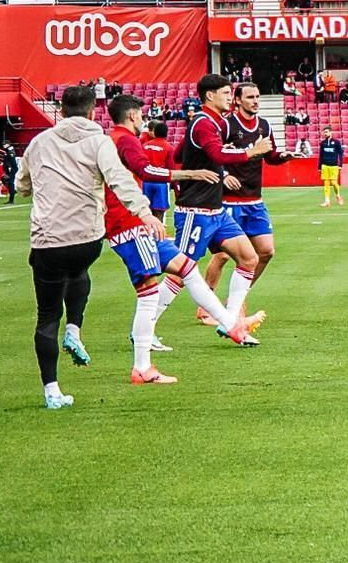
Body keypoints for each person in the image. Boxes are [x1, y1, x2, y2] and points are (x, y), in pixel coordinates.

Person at [18, 87, 165, 408]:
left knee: (46, 316)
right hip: (86, 238)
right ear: (91, 112)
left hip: (46, 240)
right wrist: (145, 213)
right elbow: (119, 181)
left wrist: (30, 188)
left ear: (60, 108)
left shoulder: (39, 143)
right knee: (79, 270)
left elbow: (22, 184)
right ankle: (75, 327)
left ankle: (52, 390)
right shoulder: (99, 141)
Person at [105, 94, 253, 381]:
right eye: (140, 114)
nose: (143, 119)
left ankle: (230, 324)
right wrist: (191, 173)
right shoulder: (124, 140)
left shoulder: (115, 139)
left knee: (186, 268)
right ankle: (142, 367)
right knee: (148, 291)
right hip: (128, 223)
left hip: (138, 218)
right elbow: (145, 170)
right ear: (133, 115)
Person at [173, 74, 274, 345]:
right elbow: (213, 155)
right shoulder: (204, 122)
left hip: (216, 208)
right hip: (196, 209)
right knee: (180, 272)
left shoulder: (213, 122)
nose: (231, 98)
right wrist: (250, 152)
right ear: (210, 96)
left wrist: (208, 159)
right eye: (227, 94)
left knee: (250, 258)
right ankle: (144, 330)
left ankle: (232, 321)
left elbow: (180, 153)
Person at [200, 83, 288, 328]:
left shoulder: (264, 125)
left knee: (266, 251)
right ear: (237, 100)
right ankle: (205, 306)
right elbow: (212, 154)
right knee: (221, 256)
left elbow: (270, 155)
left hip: (254, 200)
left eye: (258, 96)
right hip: (228, 200)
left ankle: (236, 300)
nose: (256, 101)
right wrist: (223, 173)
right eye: (250, 97)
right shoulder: (227, 124)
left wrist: (283, 157)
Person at [140, 122, 174, 224]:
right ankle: (159, 236)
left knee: (146, 211)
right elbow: (171, 168)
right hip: (161, 183)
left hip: (146, 182)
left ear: (154, 132)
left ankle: (147, 235)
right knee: (159, 211)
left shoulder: (145, 146)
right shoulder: (168, 147)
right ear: (166, 133)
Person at [318, 126, 345, 207]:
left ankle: (338, 195)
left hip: (334, 165)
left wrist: (340, 164)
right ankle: (327, 201)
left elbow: (340, 154)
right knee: (326, 182)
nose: (325, 134)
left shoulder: (336, 142)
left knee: (333, 183)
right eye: (324, 132)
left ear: (330, 132)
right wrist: (319, 166)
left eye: (326, 132)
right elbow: (321, 155)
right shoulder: (322, 143)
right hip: (325, 165)